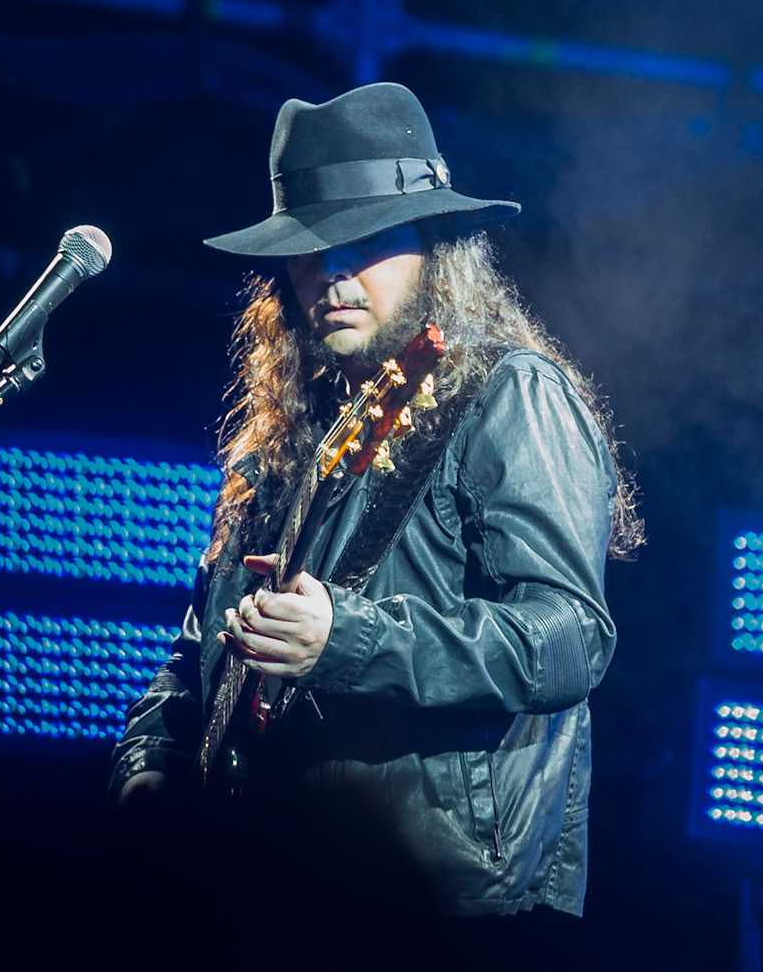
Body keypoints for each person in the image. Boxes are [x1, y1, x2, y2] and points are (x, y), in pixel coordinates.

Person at [108, 82, 641, 917]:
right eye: (310, 249)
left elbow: (570, 639)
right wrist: (148, 768)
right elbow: (199, 654)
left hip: (443, 913)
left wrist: (349, 640)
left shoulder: (511, 395)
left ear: (434, 245)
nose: (334, 272)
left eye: (367, 241)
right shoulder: (290, 437)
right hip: (277, 898)